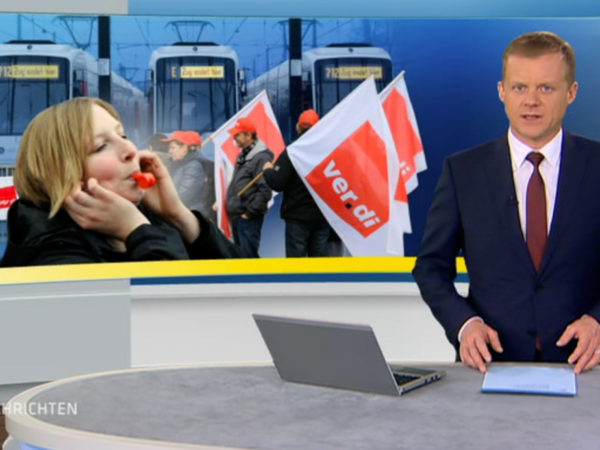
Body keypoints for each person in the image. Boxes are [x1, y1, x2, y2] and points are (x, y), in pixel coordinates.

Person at [412, 31, 600, 374]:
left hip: (586, 366)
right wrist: (465, 324)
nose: (531, 101)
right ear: (502, 91)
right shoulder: (463, 172)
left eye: (546, 88)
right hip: (490, 367)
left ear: (571, 92)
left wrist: (597, 321)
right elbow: (430, 268)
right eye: (519, 87)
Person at [0, 97, 245, 266]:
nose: (130, 149)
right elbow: (168, 313)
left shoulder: (150, 222)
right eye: (101, 146)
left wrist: (180, 217)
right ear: (61, 174)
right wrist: (138, 230)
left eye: (123, 135)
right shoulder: (54, 260)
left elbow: (243, 289)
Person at [262, 109, 331, 257]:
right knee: (320, 264)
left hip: (297, 218)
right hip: (322, 217)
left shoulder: (292, 152)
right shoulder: (328, 152)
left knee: (296, 263)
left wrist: (267, 170)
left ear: (298, 127)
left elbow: (277, 183)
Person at [225, 117, 273, 258]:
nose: (234, 137)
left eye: (238, 134)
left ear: (248, 136)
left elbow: (265, 190)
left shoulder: (261, 158)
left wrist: (249, 213)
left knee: (248, 257)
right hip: (239, 216)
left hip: (247, 218)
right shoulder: (244, 155)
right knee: (241, 257)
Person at [162, 130, 217, 223]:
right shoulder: (180, 164)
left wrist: (163, 201)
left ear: (184, 148)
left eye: (173, 148)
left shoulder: (194, 166)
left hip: (191, 215)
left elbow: (185, 194)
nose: (170, 151)